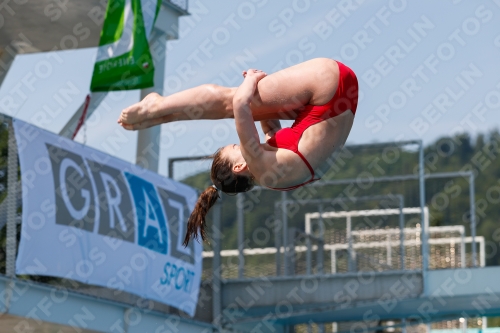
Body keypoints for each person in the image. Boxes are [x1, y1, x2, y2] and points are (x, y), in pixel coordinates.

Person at [118, 58, 358, 245]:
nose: (239, 143)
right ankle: (158, 107)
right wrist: (251, 81)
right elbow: (239, 106)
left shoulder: (272, 176)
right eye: (236, 147)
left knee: (247, 104)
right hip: (328, 86)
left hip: (341, 97)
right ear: (239, 166)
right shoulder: (257, 162)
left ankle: (160, 115)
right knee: (229, 100)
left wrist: (256, 93)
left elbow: (271, 127)